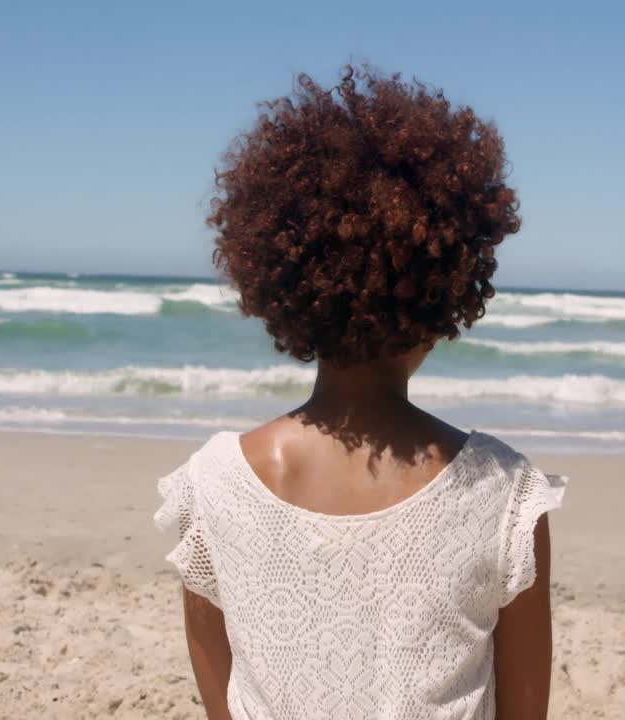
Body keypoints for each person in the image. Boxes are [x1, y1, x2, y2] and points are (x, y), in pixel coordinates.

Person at [154, 64, 566, 720]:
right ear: (444, 290)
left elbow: (222, 699)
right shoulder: (504, 496)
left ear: (283, 286)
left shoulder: (213, 486)